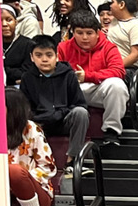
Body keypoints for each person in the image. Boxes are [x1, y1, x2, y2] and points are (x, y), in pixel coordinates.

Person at [56, 11, 129, 146]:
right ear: (72, 32)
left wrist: (88, 76)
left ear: (97, 32)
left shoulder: (109, 47)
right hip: (72, 90)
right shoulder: (63, 47)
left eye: (89, 33)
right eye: (79, 33)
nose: (84, 38)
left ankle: (111, 131)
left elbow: (119, 71)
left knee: (117, 85)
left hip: (97, 89)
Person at [20, 35, 89, 167]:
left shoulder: (68, 75)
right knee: (22, 120)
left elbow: (79, 103)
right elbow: (25, 109)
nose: (44, 59)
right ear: (31, 57)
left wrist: (59, 113)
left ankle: (73, 160)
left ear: (56, 56)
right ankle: (32, 162)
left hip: (63, 120)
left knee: (81, 113)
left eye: (49, 55)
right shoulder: (27, 77)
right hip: (40, 123)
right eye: (39, 55)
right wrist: (42, 117)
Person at [6, 89, 53, 206]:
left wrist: (22, 180)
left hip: (35, 191)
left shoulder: (31, 129)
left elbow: (48, 168)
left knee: (14, 171)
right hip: (1, 189)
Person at [106, 0, 138, 75]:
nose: (110, 6)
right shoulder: (113, 22)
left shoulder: (135, 26)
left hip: (128, 69)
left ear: (122, 5)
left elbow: (135, 55)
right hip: (111, 67)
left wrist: (114, 67)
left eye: (112, 2)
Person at [1, 3, 33, 86]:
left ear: (16, 22)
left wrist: (3, 69)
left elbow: (25, 74)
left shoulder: (28, 44)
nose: (4, 24)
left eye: (9, 20)